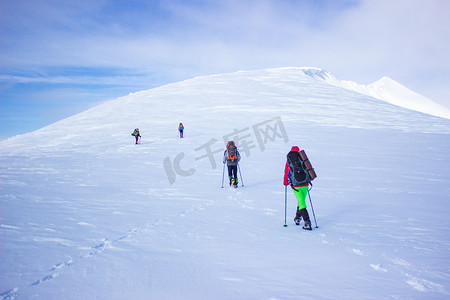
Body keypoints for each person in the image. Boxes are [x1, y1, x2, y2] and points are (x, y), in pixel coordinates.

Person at [283, 146, 312, 230]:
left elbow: (286, 171)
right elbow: (308, 168)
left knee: (301, 202)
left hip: (296, 185)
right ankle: (297, 218)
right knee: (301, 201)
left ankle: (307, 222)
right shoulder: (302, 157)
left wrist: (285, 182)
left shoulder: (290, 160)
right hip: (305, 184)